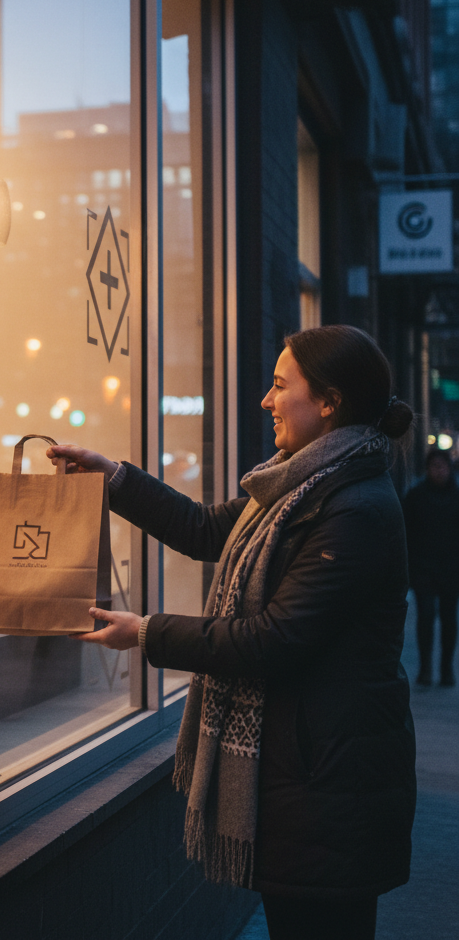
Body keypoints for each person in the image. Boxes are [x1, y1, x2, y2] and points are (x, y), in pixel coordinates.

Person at [48, 325, 416, 940]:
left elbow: (272, 640)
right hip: (306, 776)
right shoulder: (297, 489)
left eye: (279, 385)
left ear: (328, 401)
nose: (266, 401)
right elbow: (200, 529)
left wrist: (146, 633)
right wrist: (113, 477)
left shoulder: (353, 508)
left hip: (328, 783)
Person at [402, 448, 459, 686]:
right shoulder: (416, 496)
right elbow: (406, 533)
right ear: (428, 469)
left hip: (451, 568)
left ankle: (446, 669)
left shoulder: (456, 496)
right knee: (425, 618)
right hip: (424, 568)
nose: (439, 471)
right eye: (435, 467)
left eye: (443, 466)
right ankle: (426, 669)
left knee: (448, 620)